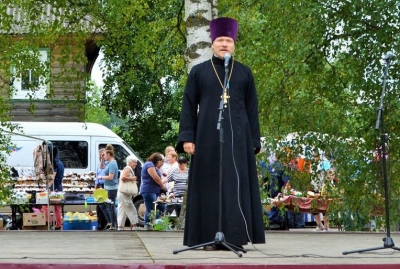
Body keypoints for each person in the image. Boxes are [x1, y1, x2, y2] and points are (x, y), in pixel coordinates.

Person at [176, 17, 265, 249]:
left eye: (228, 40)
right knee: (209, 187)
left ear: (234, 44)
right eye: (220, 40)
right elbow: (188, 105)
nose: (224, 44)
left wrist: (254, 139)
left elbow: (252, 108)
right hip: (207, 138)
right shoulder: (198, 72)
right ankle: (208, 237)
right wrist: (187, 136)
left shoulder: (245, 73)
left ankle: (235, 237)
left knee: (235, 186)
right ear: (212, 44)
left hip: (238, 139)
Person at [140, 152, 168, 229]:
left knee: (159, 207)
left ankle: (157, 224)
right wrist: (162, 186)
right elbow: (155, 177)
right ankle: (148, 225)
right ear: (157, 160)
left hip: (155, 191)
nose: (161, 164)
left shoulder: (154, 167)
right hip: (149, 190)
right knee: (150, 208)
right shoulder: (149, 164)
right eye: (161, 162)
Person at [42, 145, 64, 230]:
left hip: (53, 188)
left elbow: (53, 177)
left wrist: (47, 187)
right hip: (59, 187)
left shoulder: (54, 163)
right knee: (57, 208)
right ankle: (58, 225)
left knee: (45, 205)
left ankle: (49, 222)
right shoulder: (61, 163)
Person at [97, 144, 119, 230]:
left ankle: (113, 224)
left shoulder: (113, 164)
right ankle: (111, 222)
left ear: (109, 155)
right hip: (107, 188)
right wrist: (102, 158)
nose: (104, 156)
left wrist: (101, 177)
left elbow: (111, 177)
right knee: (102, 204)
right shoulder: (109, 163)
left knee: (110, 206)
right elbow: (102, 167)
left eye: (105, 155)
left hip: (111, 188)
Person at [117, 155, 139, 230]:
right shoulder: (128, 168)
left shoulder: (127, 169)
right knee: (131, 208)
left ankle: (120, 227)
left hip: (122, 193)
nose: (136, 164)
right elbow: (123, 178)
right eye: (134, 162)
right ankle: (134, 225)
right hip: (124, 193)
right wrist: (132, 178)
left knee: (122, 210)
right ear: (129, 162)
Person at [95, 148, 107, 230]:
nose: (100, 156)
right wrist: (95, 186)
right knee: (98, 207)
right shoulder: (98, 164)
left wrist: (103, 159)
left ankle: (105, 223)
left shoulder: (107, 164)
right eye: (99, 155)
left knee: (104, 205)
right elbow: (97, 176)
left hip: (105, 185)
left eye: (102, 154)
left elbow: (103, 169)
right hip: (99, 186)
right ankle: (99, 223)